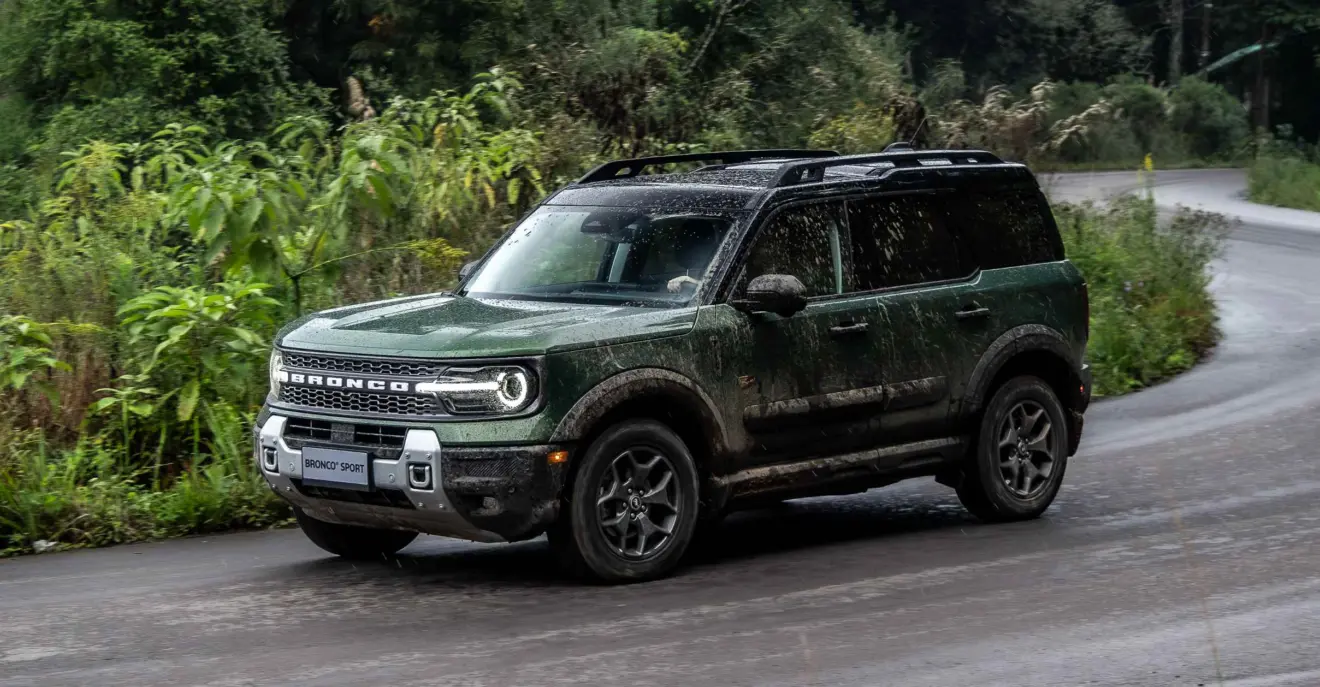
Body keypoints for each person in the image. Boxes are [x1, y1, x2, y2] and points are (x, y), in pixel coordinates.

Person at [665, 219, 722, 294]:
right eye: (678, 240)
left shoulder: (722, 265)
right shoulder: (667, 270)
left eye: (685, 240)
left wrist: (687, 280)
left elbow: (717, 291)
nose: (678, 245)